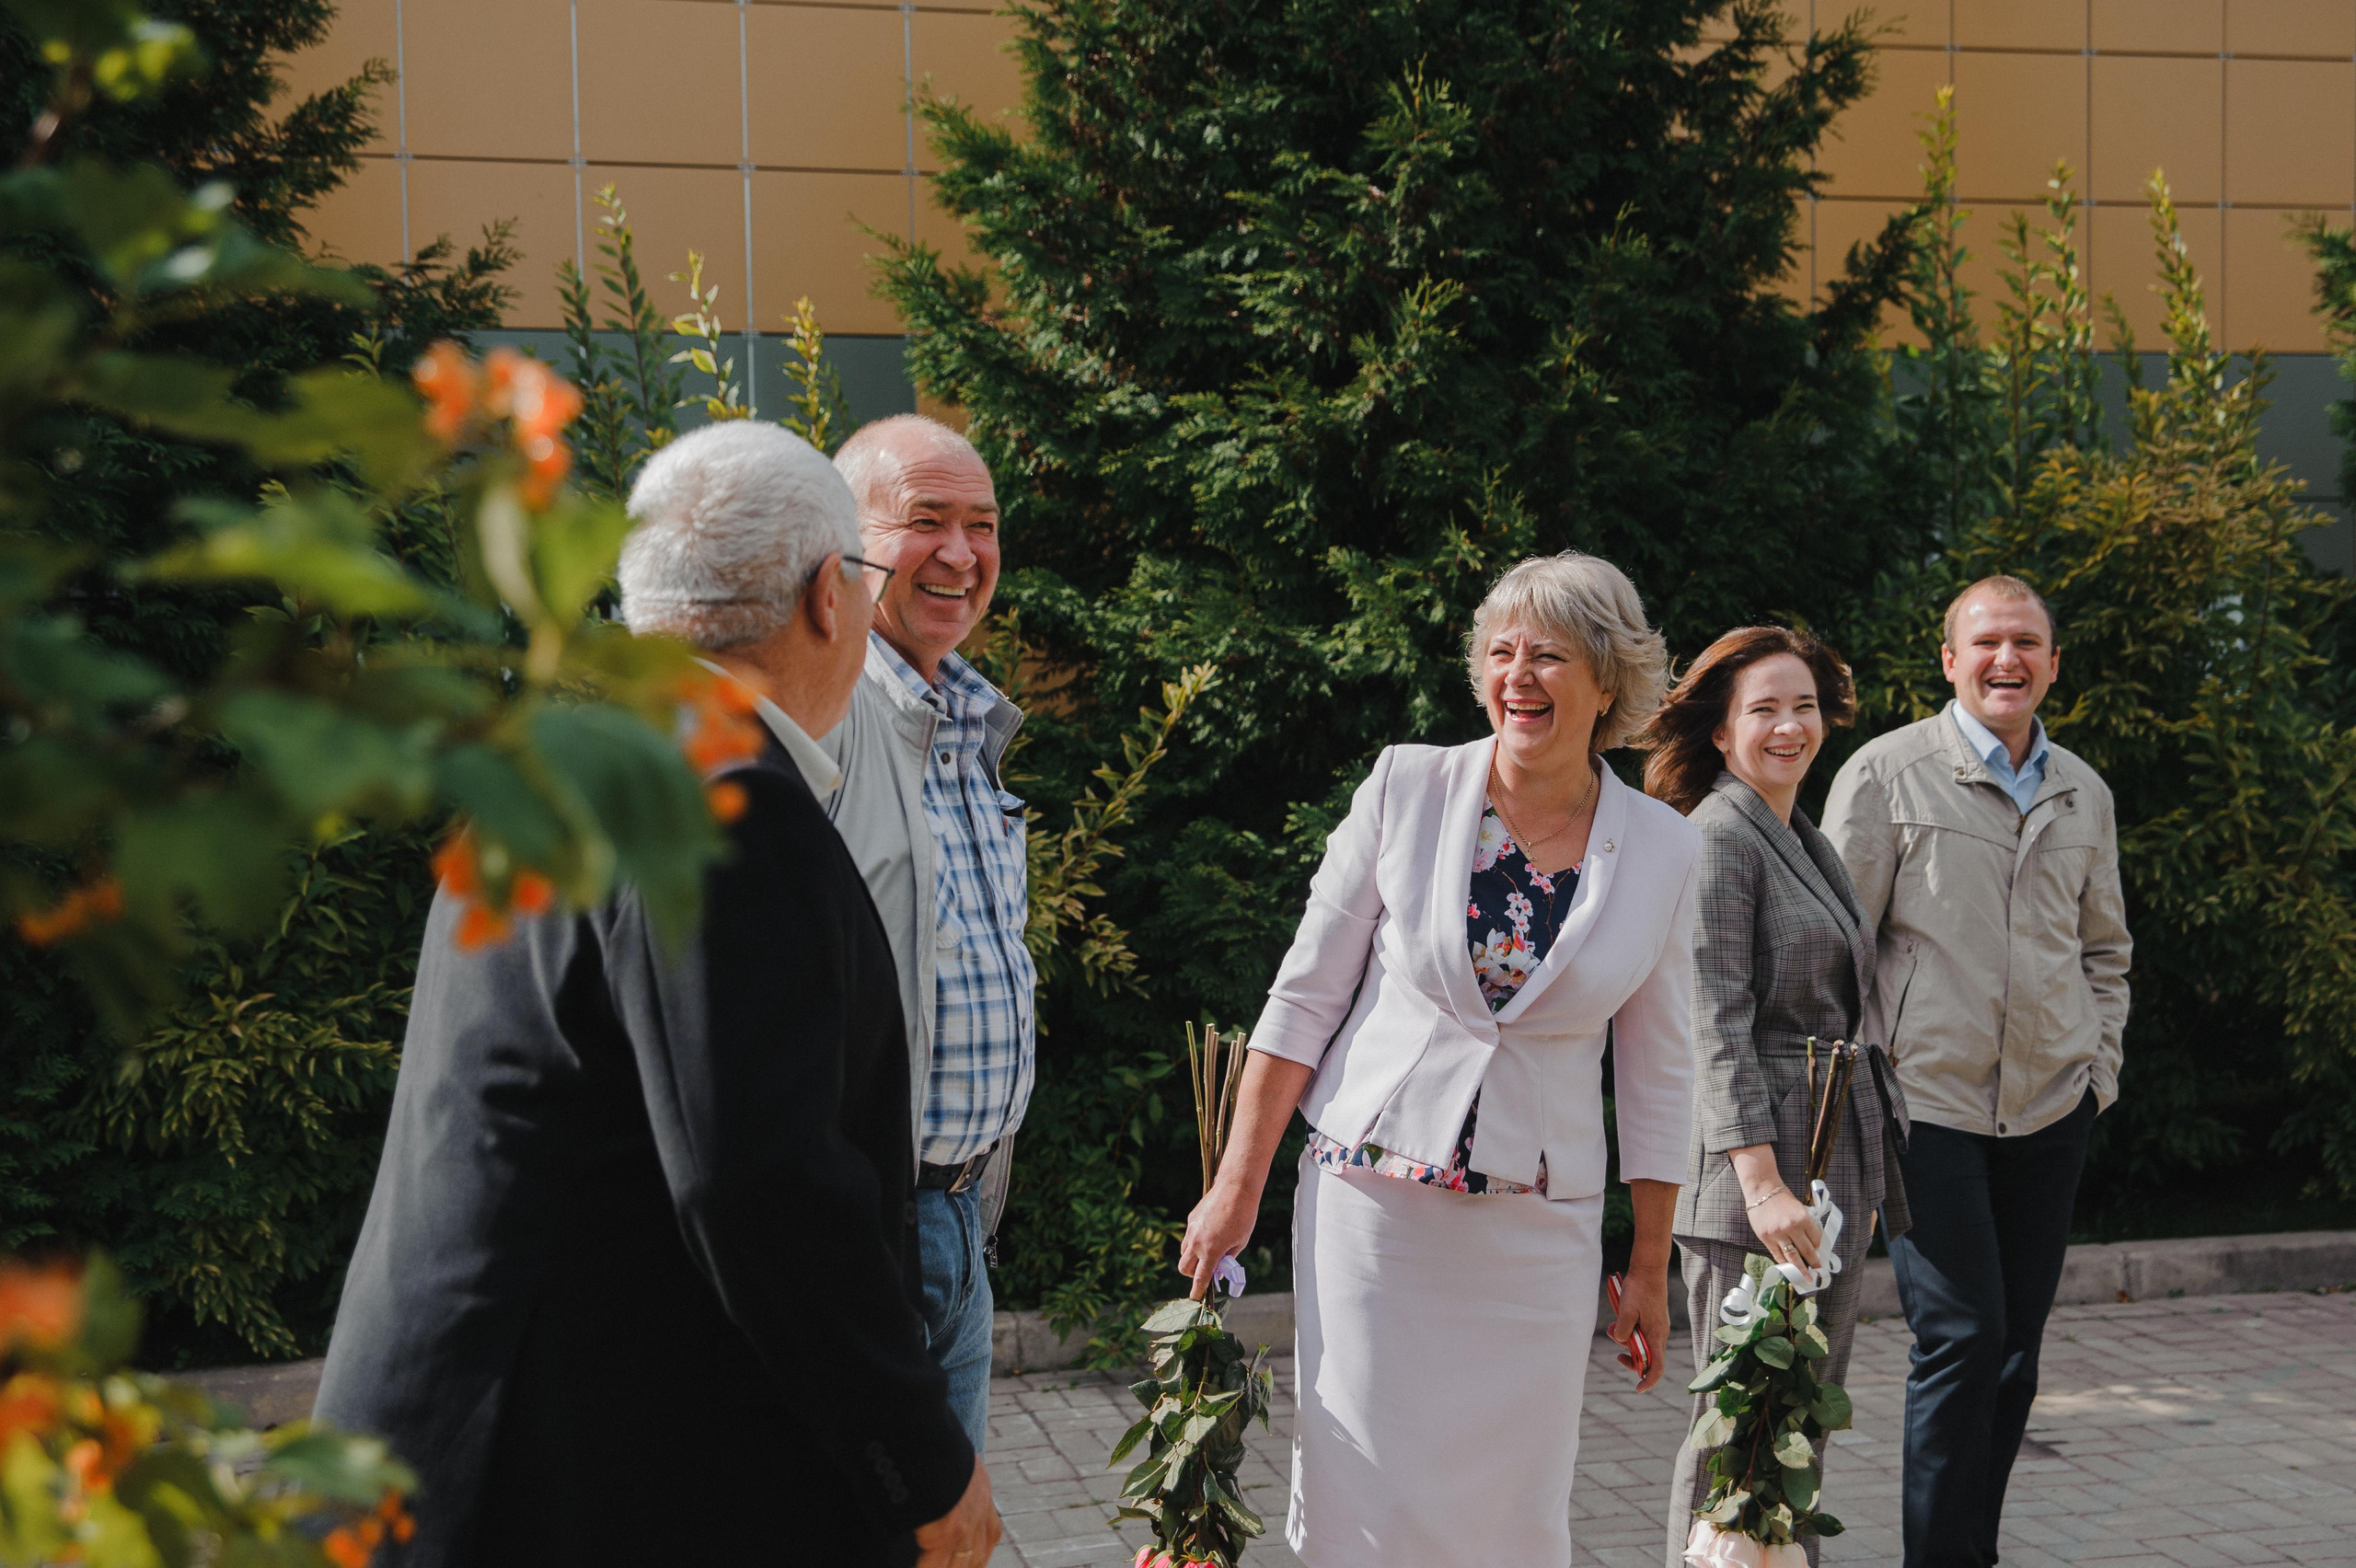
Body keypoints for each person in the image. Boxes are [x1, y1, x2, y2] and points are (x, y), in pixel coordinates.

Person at [313, 423, 998, 1568]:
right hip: (576, 1481)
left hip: (460, 1458)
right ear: (828, 595)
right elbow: (761, 1182)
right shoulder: (729, 806)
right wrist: (921, 1464)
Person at [1176, 551, 1699, 1568]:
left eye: (1548, 656)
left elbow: (1658, 1071)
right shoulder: (1406, 786)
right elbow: (1302, 999)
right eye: (1501, 652)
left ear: (1606, 682)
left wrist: (1647, 1264)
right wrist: (1234, 1190)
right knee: (1365, 1495)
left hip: (1536, 1234)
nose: (1517, 676)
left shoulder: (1666, 849)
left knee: (1514, 1509)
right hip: (1372, 1213)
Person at [1821, 575, 2131, 1568]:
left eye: (2027, 642)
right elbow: (1837, 953)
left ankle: (1968, 1553)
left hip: (2050, 1108)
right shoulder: (1885, 775)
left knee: (2012, 1354)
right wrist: (1864, 1088)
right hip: (1927, 1108)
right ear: (1950, 660)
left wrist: (2096, 1072)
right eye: (1987, 641)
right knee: (1960, 1339)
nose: (2008, 658)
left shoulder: (2084, 791)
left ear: (2053, 663)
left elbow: (2105, 952)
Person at [1637, 627, 1911, 1568]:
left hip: (1825, 1159)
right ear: (1721, 731)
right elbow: (1711, 1020)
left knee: (1797, 1426)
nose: (1789, 725)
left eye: (1804, 706)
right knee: (1737, 1425)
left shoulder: (1796, 833)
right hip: (1755, 1176)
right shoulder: (1720, 836)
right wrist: (1761, 1186)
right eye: (1764, 709)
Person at [823, 413, 1033, 1453]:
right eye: (926, 520)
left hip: (958, 1221)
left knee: (947, 1524)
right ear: (845, 541)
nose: (960, 552)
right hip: (865, 1234)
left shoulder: (968, 723)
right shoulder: (825, 728)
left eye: (981, 525)